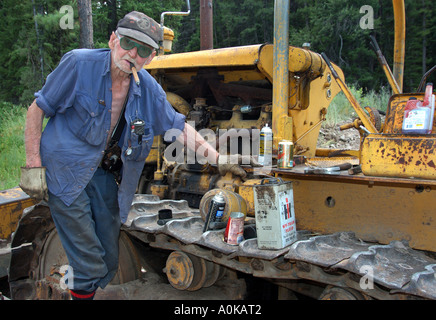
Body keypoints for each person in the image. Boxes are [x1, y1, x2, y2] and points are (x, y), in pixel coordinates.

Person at [20, 11, 250, 300]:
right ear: (113, 39)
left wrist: (219, 160)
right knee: (89, 263)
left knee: (108, 256)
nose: (133, 54)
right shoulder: (79, 64)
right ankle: (82, 289)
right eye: (128, 43)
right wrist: (33, 165)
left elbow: (179, 127)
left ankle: (86, 287)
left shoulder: (148, 90)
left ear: (151, 57)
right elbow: (37, 108)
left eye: (143, 50)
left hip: (102, 172)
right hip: (64, 169)